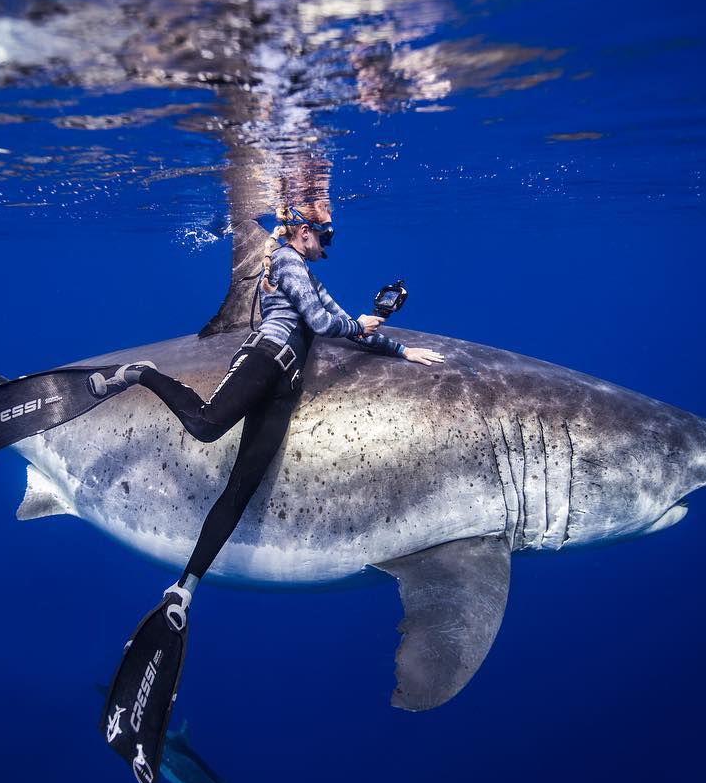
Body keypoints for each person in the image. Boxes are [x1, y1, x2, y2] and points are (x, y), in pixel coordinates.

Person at [90, 202, 445, 627]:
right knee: (205, 425)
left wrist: (403, 350)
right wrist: (358, 326)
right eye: (326, 237)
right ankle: (144, 374)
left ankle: (184, 588)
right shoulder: (284, 261)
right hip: (263, 358)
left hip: (286, 385)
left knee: (241, 489)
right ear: (304, 231)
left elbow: (348, 325)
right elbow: (324, 323)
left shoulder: (309, 276)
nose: (327, 247)